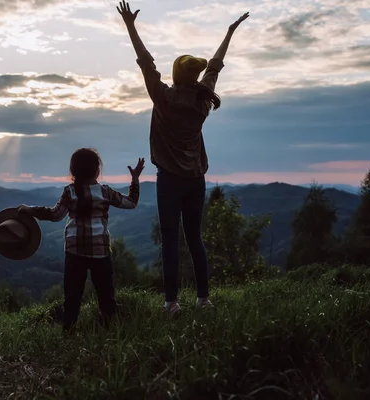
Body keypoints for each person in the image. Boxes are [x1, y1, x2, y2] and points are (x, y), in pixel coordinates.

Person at [117, 1, 250, 314]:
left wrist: (130, 26)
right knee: (195, 239)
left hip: (170, 181)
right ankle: (204, 299)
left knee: (170, 240)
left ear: (175, 75)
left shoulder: (164, 98)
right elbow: (215, 66)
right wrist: (229, 33)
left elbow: (145, 62)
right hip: (196, 180)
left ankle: (172, 303)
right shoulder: (203, 99)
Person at [18, 148, 145, 332]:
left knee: (72, 297)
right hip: (100, 251)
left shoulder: (69, 192)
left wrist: (31, 210)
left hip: (74, 251)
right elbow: (131, 202)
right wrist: (135, 178)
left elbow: (55, 215)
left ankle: (68, 334)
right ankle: (111, 334)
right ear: (97, 171)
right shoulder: (105, 192)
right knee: (106, 297)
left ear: (73, 172)